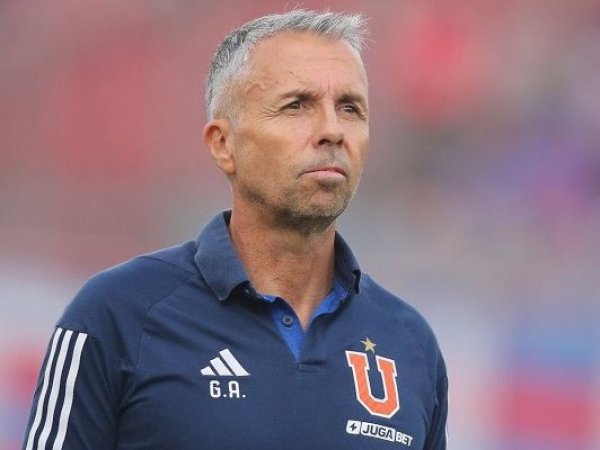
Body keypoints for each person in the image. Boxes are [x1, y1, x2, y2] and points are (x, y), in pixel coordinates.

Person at [22, 9, 448, 450]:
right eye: (296, 105)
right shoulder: (117, 314)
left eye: (350, 108)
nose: (332, 130)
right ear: (223, 144)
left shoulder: (410, 343)